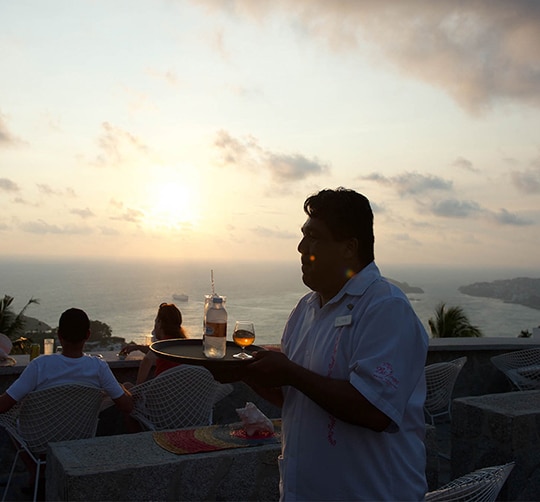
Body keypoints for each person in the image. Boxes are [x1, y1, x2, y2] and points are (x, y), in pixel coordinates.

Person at [242, 188, 429, 501]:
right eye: (303, 236)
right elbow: (293, 396)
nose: (301, 247)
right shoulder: (305, 310)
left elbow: (374, 410)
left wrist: (290, 372)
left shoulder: (385, 308)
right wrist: (241, 369)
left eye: (314, 236)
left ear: (349, 247)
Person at [0, 307, 133, 414]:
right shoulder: (98, 367)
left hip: (36, 440)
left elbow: (4, 405)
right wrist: (119, 386)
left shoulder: (39, 366)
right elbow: (127, 407)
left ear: (59, 335)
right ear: (88, 335)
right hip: (79, 437)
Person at [120, 302, 187, 386]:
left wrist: (137, 389)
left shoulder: (162, 346)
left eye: (155, 321)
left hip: (160, 393)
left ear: (160, 323)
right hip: (181, 394)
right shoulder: (183, 344)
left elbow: (147, 360)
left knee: (126, 386)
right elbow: (154, 352)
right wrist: (137, 347)